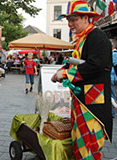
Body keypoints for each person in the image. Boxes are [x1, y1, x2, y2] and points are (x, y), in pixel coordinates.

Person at [51, 1, 113, 159]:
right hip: (81, 100)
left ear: (86, 18)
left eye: (74, 19)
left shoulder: (96, 36)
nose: (70, 24)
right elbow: (75, 61)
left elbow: (95, 65)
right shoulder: (82, 39)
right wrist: (61, 69)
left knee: (88, 147)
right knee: (79, 144)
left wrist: (65, 74)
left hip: (92, 105)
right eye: (69, 20)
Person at [110, 39, 117, 118]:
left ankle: (112, 112)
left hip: (111, 76)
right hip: (114, 76)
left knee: (112, 94)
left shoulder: (112, 54)